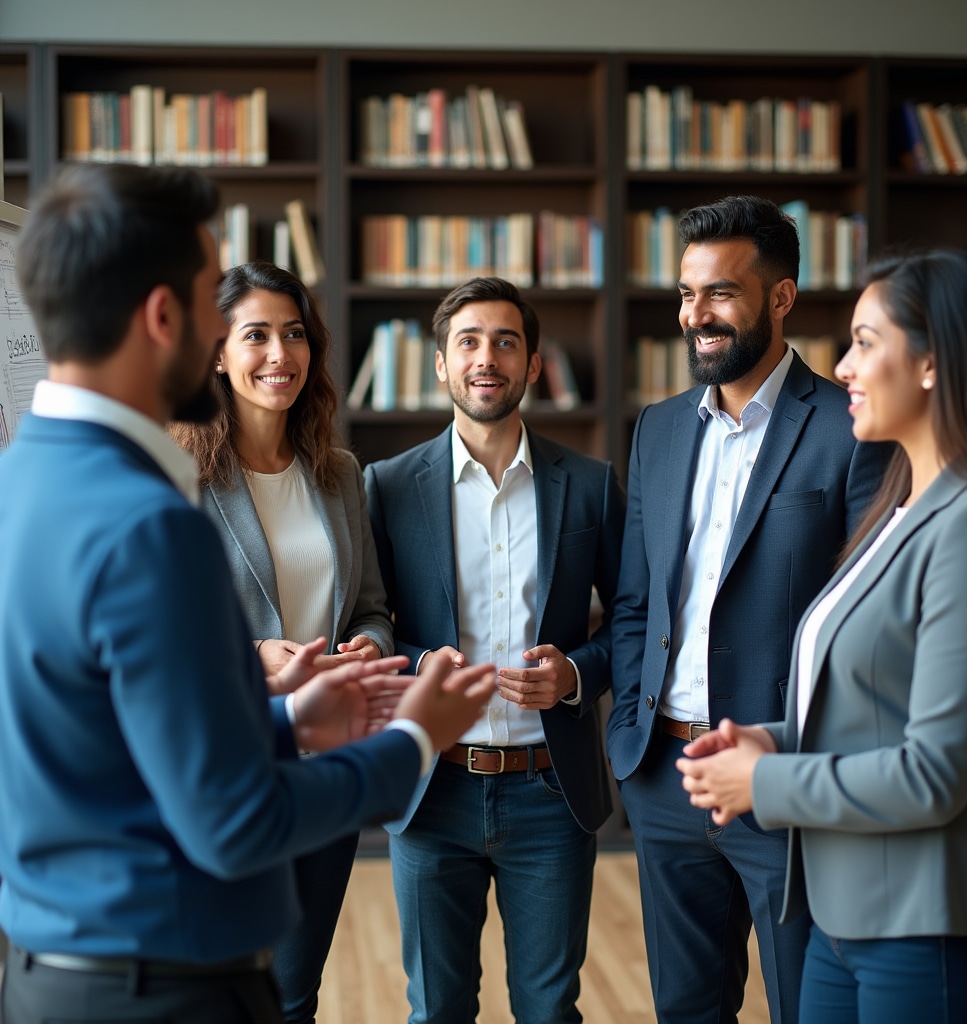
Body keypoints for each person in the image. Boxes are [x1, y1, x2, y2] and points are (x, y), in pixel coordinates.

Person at [0, 162, 495, 1024]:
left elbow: (110, 743)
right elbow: (231, 821)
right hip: (166, 984)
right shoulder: (148, 520)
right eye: (211, 306)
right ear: (168, 318)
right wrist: (416, 737)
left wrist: (292, 724)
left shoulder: (23, 481)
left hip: (54, 971)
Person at [677, 247, 967, 1024]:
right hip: (841, 918)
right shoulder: (896, 511)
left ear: (933, 364)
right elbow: (868, 707)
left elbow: (935, 774)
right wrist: (771, 740)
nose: (842, 368)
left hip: (930, 931)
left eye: (866, 342)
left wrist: (760, 785)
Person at [606, 195, 892, 1024]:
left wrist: (794, 755)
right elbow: (634, 600)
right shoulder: (657, 429)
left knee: (809, 1007)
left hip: (786, 781)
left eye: (722, 293)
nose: (698, 315)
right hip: (665, 775)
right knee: (685, 1010)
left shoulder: (850, 430)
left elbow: (865, 625)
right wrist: (634, 721)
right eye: (688, 293)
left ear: (781, 298)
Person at [364, 276, 625, 1024]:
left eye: (506, 342)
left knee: (549, 1009)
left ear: (533, 364)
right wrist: (418, 667)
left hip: (550, 791)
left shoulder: (590, 485)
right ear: (441, 365)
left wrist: (577, 673)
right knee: (437, 1009)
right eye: (469, 342)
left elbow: (633, 617)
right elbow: (370, 618)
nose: (488, 358)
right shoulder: (386, 487)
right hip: (432, 790)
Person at [170, 260, 397, 1024]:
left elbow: (370, 607)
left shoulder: (337, 473)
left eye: (294, 334)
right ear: (217, 353)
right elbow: (161, 627)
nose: (279, 355)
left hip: (321, 775)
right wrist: (252, 657)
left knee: (293, 994)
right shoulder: (178, 474)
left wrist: (366, 645)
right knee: (212, 990)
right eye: (256, 335)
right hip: (224, 770)